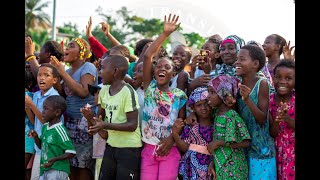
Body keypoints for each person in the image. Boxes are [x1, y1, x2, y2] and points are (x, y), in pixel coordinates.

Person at [141, 14, 187, 180]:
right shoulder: (149, 88)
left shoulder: (179, 95)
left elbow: (180, 122)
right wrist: (165, 34)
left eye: (166, 67)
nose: (161, 69)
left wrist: (170, 140)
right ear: (154, 72)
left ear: (172, 73)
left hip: (170, 148)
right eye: (158, 66)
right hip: (148, 148)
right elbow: (147, 56)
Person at [50, 37, 98, 180]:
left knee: (82, 166)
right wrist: (57, 76)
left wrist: (62, 73)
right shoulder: (69, 70)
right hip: (69, 122)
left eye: (71, 46)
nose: (66, 49)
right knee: (71, 163)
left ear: (81, 52)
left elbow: (84, 92)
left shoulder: (88, 67)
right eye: (67, 46)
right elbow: (64, 94)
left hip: (83, 123)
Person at [88, 55, 142, 180]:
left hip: (129, 149)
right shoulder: (104, 90)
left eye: (103, 68)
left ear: (115, 71)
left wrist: (105, 125)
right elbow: (100, 122)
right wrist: (90, 118)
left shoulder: (128, 92)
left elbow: (133, 125)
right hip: (111, 145)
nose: (100, 72)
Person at [235, 45, 276, 179]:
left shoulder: (262, 84)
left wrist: (247, 100)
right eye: (237, 59)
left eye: (242, 59)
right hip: (243, 148)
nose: (237, 62)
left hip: (260, 149)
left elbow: (262, 119)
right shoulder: (237, 84)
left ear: (255, 64)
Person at [206, 75, 251, 179]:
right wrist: (213, 162)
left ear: (224, 95)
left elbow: (246, 142)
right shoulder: (216, 114)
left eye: (212, 92)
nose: (208, 96)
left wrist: (219, 143)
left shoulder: (232, 116)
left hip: (234, 166)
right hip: (221, 165)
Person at [25, 63, 63, 180]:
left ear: (54, 80)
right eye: (39, 75)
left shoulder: (54, 97)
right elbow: (35, 120)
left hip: (52, 148)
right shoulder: (36, 95)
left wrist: (31, 105)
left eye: (46, 75)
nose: (41, 78)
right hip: (40, 146)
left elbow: (46, 121)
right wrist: (27, 108)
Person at [29, 95, 76, 180]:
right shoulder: (45, 127)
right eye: (43, 108)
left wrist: (54, 159)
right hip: (45, 169)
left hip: (58, 170)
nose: (42, 112)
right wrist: (36, 137)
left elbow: (71, 152)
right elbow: (42, 146)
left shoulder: (60, 130)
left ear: (57, 112)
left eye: (46, 109)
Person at [173, 87, 214, 180]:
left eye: (206, 103)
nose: (203, 108)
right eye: (199, 105)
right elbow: (184, 147)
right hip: (191, 169)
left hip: (211, 168)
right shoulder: (190, 126)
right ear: (193, 108)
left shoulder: (217, 124)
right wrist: (175, 134)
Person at [269, 60, 295, 180]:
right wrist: (277, 120)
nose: (282, 82)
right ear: (273, 78)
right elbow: (272, 133)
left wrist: (287, 118)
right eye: (278, 77)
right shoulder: (269, 101)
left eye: (288, 78)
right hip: (276, 152)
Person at [81, 84, 107, 180]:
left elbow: (104, 134)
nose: (94, 96)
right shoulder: (96, 109)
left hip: (105, 154)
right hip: (98, 152)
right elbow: (91, 132)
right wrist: (88, 117)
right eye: (95, 93)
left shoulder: (107, 111)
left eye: (98, 93)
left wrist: (91, 118)